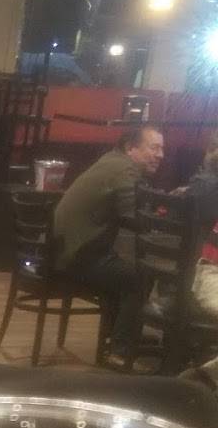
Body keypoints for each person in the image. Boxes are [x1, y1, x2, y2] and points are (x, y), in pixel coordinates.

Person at [53, 125, 165, 354]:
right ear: (130, 148)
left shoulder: (112, 161)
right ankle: (121, 347)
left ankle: (119, 336)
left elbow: (130, 215)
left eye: (162, 149)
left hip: (66, 251)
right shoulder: (124, 169)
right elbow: (133, 216)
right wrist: (168, 218)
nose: (161, 155)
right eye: (154, 148)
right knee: (141, 276)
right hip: (78, 256)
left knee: (126, 272)